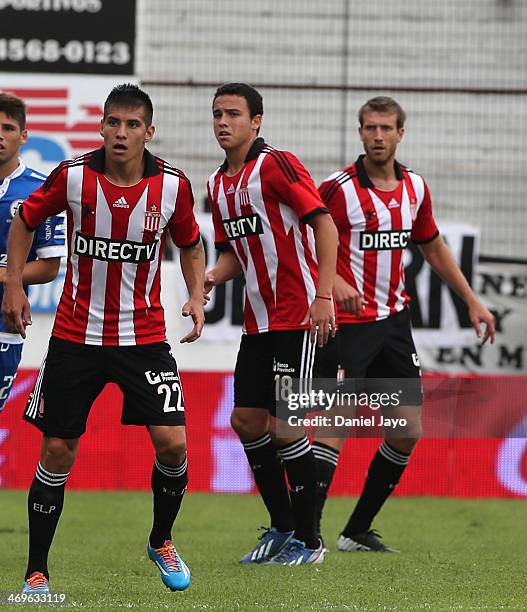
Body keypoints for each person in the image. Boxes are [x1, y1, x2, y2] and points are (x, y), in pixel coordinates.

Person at [2, 84, 205, 593]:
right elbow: (24, 221)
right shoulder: (72, 177)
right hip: (75, 336)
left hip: (144, 338)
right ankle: (36, 572)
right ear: (101, 126)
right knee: (58, 450)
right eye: (113, 122)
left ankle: (160, 539)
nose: (121, 132)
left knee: (173, 443)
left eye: (132, 124)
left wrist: (197, 296)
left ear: (148, 132)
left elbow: (191, 244)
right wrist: (13, 286)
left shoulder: (173, 187)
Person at [312, 96, 496, 552]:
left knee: (408, 430)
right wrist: (333, 282)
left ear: (400, 133)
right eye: (369, 128)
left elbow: (432, 246)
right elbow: (305, 241)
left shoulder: (415, 188)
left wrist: (472, 301)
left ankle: (355, 530)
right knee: (336, 424)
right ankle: (305, 534)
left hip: (393, 323)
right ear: (359, 133)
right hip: (347, 326)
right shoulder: (337, 189)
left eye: (385, 128)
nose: (377, 136)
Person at [204, 82, 338, 565]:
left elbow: (324, 222)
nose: (223, 122)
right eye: (217, 113)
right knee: (245, 420)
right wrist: (212, 277)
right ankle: (283, 528)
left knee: (287, 427)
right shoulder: (216, 184)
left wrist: (322, 295)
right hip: (258, 323)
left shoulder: (276, 164)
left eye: (234, 114)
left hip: (299, 316)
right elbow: (234, 252)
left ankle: (311, 540)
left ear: (256, 121)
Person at [0, 93, 65, 414]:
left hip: (5, 324)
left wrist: (5, 276)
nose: (0, 135)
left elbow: (49, 268)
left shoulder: (41, 191)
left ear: (24, 136)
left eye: (8, 128)